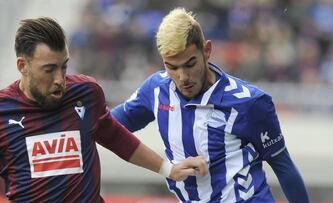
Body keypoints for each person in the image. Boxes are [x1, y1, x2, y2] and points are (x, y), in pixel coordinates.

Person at [112, 7, 310, 203]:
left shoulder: (250, 102)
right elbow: (105, 127)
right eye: (172, 67)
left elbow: (283, 165)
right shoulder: (155, 90)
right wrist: (166, 168)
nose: (182, 77)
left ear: (207, 50)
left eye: (190, 64)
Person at [0, 17, 208, 202]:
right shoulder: (4, 111)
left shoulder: (85, 94)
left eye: (63, 66)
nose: (59, 79)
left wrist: (169, 169)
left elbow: (116, 137)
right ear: (22, 66)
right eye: (49, 70)